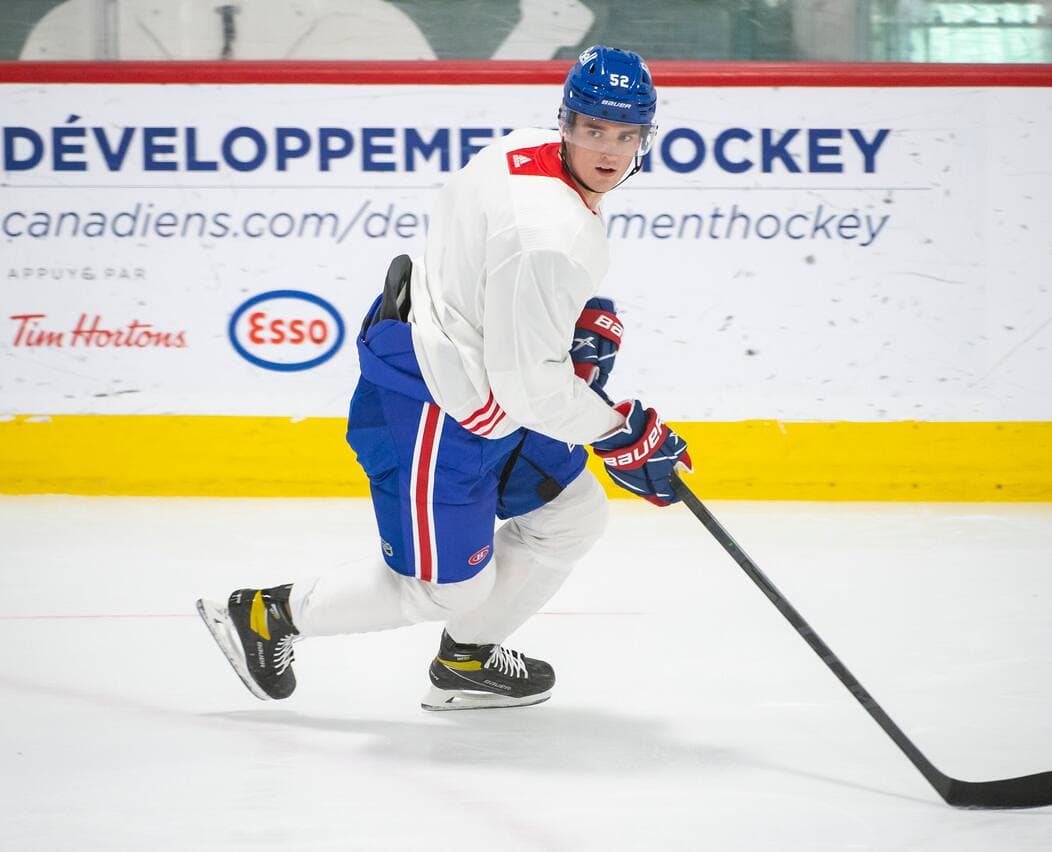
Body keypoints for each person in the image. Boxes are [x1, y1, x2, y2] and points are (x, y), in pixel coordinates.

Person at [197, 45, 691, 711]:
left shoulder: (522, 151)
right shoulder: (550, 232)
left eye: (626, 135)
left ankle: (467, 661)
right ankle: (264, 617)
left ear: (645, 138)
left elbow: (495, 277)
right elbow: (532, 386)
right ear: (567, 124)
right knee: (443, 587)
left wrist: (577, 315)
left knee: (569, 516)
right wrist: (620, 434)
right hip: (437, 399)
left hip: (482, 377)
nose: (609, 150)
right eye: (594, 130)